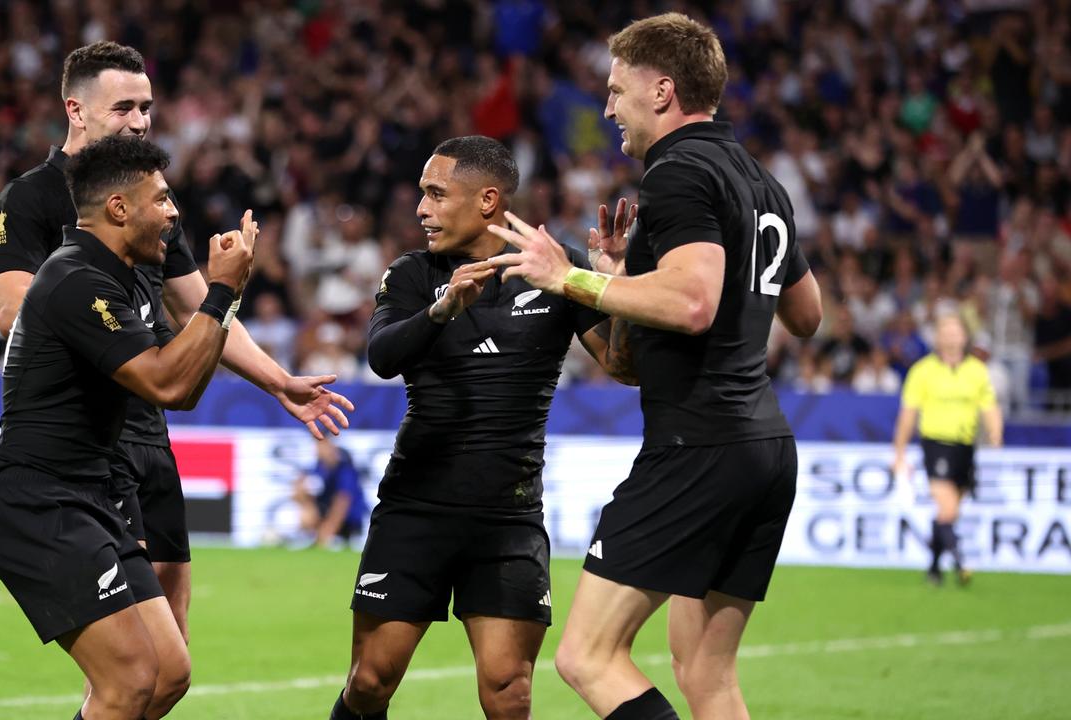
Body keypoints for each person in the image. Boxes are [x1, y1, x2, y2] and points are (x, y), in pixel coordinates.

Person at [487, 14, 823, 720]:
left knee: (587, 656)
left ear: (662, 90)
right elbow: (807, 314)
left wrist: (571, 279)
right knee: (707, 675)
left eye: (616, 91)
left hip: (697, 445)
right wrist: (621, 274)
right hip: (765, 448)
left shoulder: (677, 174)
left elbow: (695, 302)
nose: (608, 108)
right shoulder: (761, 182)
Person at [0, 41, 352, 645]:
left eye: (147, 107)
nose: (140, 121)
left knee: (173, 644)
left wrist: (277, 380)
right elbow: (10, 309)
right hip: (92, 437)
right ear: (76, 110)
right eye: (123, 107)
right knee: (138, 658)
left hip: (152, 428)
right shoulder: (29, 199)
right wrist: (111, 335)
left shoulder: (155, 211)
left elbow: (197, 306)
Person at [330, 135, 630, 720]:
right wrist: (441, 309)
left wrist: (609, 285)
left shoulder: (556, 270)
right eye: (422, 195)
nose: (422, 209)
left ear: (488, 200)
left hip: (508, 518)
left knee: (507, 690)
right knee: (370, 679)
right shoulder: (413, 274)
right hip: (416, 506)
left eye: (437, 195)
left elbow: (626, 367)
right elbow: (383, 355)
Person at [0, 136, 255, 720]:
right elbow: (169, 384)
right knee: (129, 680)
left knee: (168, 673)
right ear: (120, 209)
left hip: (92, 495)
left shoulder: (120, 279)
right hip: (39, 501)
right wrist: (222, 290)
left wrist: (222, 305)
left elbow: (185, 386)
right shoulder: (76, 279)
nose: (175, 214)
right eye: (162, 200)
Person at [893, 313, 1003, 586]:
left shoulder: (977, 370)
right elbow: (908, 414)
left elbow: (989, 406)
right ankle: (961, 562)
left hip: (965, 447)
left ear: (965, 337)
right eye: (946, 331)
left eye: (956, 331)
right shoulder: (922, 371)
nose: (952, 337)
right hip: (936, 445)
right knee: (948, 507)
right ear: (938, 338)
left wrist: (995, 432)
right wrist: (899, 452)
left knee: (948, 512)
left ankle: (933, 569)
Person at [292, 435, 368, 547]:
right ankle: (308, 537)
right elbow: (297, 494)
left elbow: (343, 501)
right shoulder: (318, 467)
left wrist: (328, 529)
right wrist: (303, 494)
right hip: (326, 513)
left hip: (349, 519)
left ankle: (335, 538)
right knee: (306, 512)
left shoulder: (344, 468)